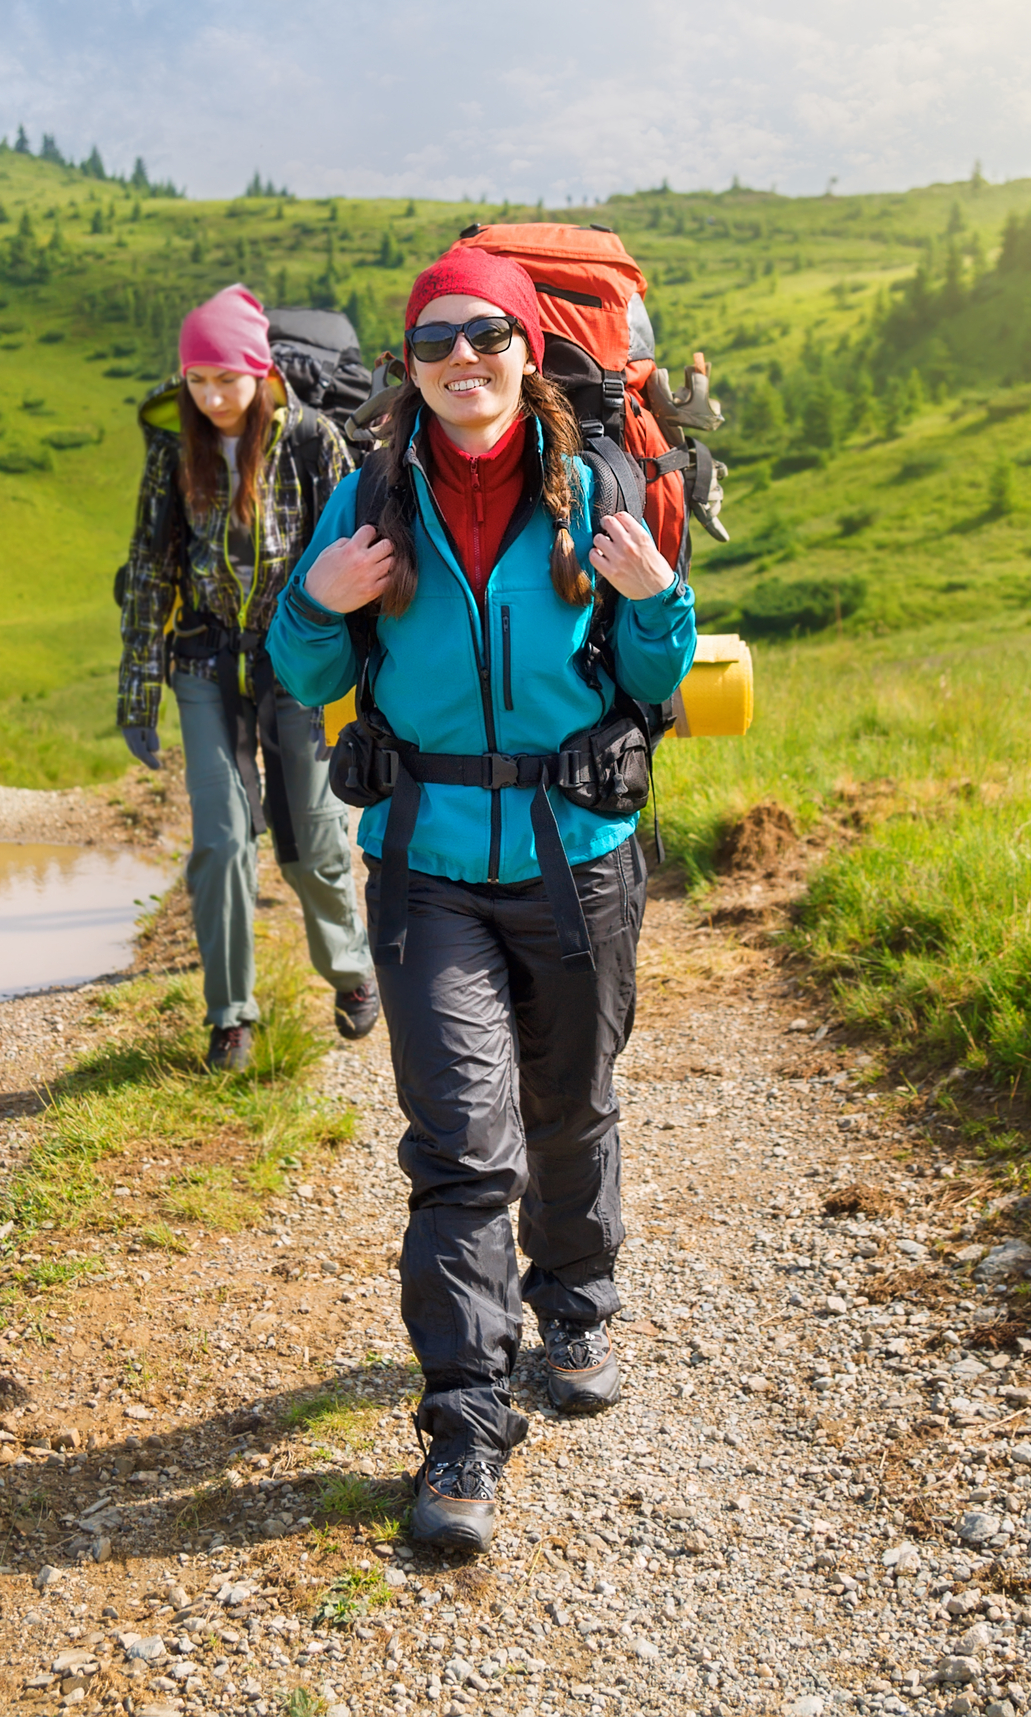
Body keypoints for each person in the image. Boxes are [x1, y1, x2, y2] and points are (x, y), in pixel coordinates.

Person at [269, 246, 696, 1550]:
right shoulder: (369, 499)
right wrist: (312, 599)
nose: (464, 358)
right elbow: (300, 667)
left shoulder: (593, 486)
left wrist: (652, 601)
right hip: (427, 860)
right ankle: (462, 1419)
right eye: (436, 340)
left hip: (578, 851)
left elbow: (654, 668)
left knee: (570, 1099)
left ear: (525, 354)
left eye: (487, 336)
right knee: (461, 1144)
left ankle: (573, 1306)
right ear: (406, 367)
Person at [118, 284, 379, 1069]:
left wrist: (365, 679)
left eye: (225, 379)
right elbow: (149, 572)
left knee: (311, 835)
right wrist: (136, 691)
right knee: (221, 840)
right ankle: (231, 1014)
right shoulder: (174, 452)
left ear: (259, 371)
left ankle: (350, 967)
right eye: (197, 381)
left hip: (295, 662)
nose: (212, 396)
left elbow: (353, 552)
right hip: (203, 659)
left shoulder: (310, 440)